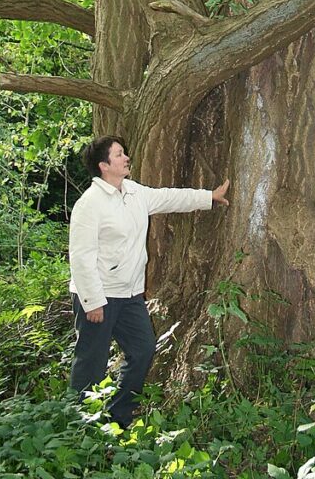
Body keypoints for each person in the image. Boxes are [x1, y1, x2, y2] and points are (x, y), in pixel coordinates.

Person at [69, 135, 229, 428]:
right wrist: (92, 301)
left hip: (130, 295)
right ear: (104, 165)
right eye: (119, 155)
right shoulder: (89, 204)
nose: (126, 157)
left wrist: (208, 197)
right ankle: (81, 427)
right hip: (99, 296)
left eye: (124, 153)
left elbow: (169, 197)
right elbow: (81, 257)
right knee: (91, 362)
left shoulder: (133, 192)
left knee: (142, 350)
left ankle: (119, 416)